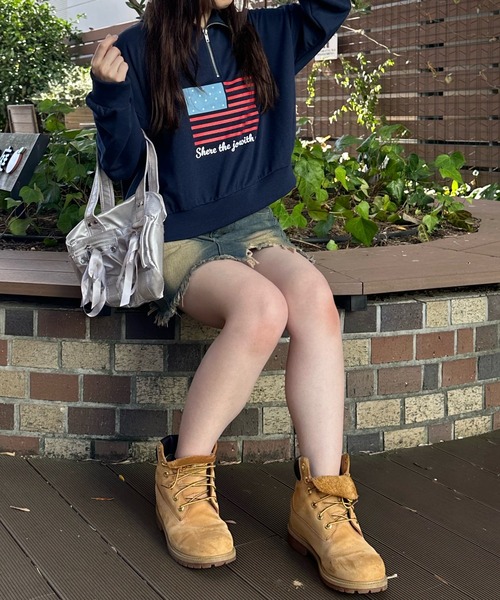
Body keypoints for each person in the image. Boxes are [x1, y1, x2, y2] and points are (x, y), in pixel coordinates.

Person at [87, 0, 387, 593]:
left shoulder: (267, 33)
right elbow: (123, 168)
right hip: (177, 234)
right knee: (262, 308)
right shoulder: (138, 49)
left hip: (254, 226)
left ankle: (323, 501)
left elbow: (331, 6)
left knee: (315, 300)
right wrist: (108, 94)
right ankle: (184, 479)